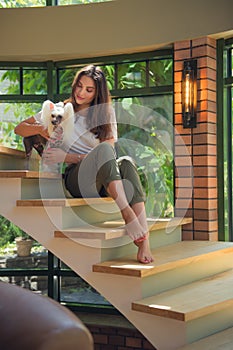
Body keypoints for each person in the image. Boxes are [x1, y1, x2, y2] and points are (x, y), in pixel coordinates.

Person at [14, 65, 154, 264]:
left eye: (89, 90)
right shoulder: (61, 110)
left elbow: (107, 151)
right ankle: (127, 213)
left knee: (127, 163)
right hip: (77, 180)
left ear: (98, 93)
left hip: (103, 177)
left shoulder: (105, 114)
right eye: (79, 86)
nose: (81, 93)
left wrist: (70, 156)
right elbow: (19, 129)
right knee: (105, 153)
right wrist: (43, 127)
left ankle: (144, 243)